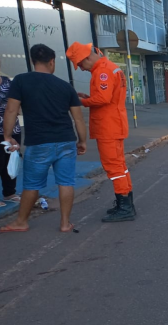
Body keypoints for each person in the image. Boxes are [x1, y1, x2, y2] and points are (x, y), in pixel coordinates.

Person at [0, 44, 87, 233]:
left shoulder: (21, 80)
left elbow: (11, 110)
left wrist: (7, 135)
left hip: (39, 142)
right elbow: (78, 119)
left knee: (32, 184)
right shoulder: (66, 86)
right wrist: (82, 141)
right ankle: (65, 223)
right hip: (66, 140)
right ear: (52, 62)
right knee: (66, 182)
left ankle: (21, 222)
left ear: (33, 61)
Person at [66, 41, 134, 222]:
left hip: (108, 127)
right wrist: (90, 98)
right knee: (120, 166)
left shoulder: (102, 71)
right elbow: (108, 97)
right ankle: (126, 203)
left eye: (80, 65)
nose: (81, 69)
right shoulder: (110, 68)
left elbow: (103, 98)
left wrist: (80, 101)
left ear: (86, 58)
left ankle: (125, 207)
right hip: (114, 124)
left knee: (114, 167)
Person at [0, 58, 22, 208]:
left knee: (11, 160)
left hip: (12, 128)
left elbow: (17, 103)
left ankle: (9, 192)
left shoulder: (8, 82)